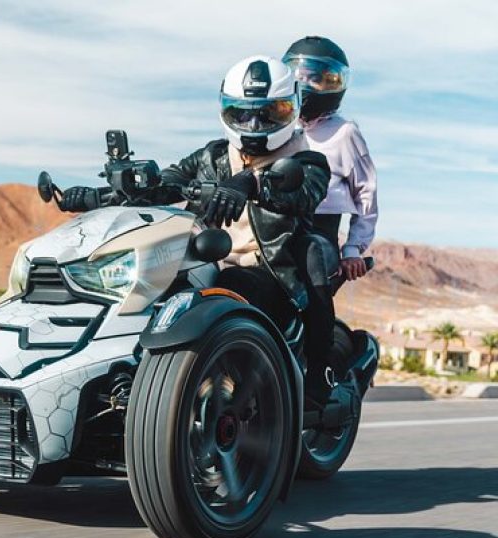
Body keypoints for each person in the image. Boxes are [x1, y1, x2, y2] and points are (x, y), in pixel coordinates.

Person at [60, 56, 342, 405]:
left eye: (270, 113)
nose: (254, 123)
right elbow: (168, 183)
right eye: (242, 113)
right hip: (199, 261)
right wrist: (101, 195)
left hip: (269, 272)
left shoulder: (308, 161)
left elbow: (302, 193)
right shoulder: (212, 157)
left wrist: (251, 185)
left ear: (292, 108)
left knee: (231, 287)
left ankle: (321, 373)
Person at [283, 36, 378, 281]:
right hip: (273, 229)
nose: (304, 83)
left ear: (333, 83)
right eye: (298, 75)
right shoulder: (278, 126)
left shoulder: (344, 133)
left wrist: (353, 248)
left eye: (314, 78)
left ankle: (320, 321)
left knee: (313, 294)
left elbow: (366, 194)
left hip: (319, 233)